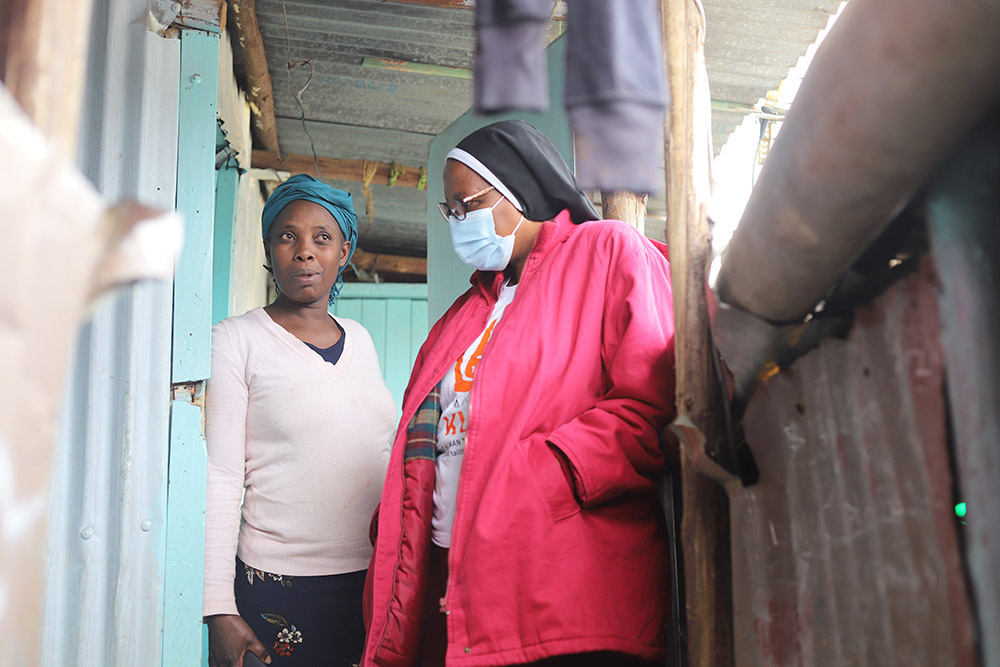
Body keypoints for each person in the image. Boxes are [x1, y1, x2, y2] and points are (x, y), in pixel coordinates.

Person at [362, 120, 676, 666]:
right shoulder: (462, 316)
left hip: (565, 584)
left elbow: (651, 402)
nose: (458, 220)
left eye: (466, 203)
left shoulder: (607, 251)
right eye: (450, 210)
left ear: (515, 187)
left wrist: (544, 475)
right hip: (459, 581)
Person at [203, 175, 398, 666]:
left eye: (322, 238)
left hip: (373, 585)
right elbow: (222, 476)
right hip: (279, 589)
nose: (305, 251)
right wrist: (217, 608)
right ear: (269, 249)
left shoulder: (360, 338)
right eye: (287, 236)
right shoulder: (236, 339)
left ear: (344, 251)